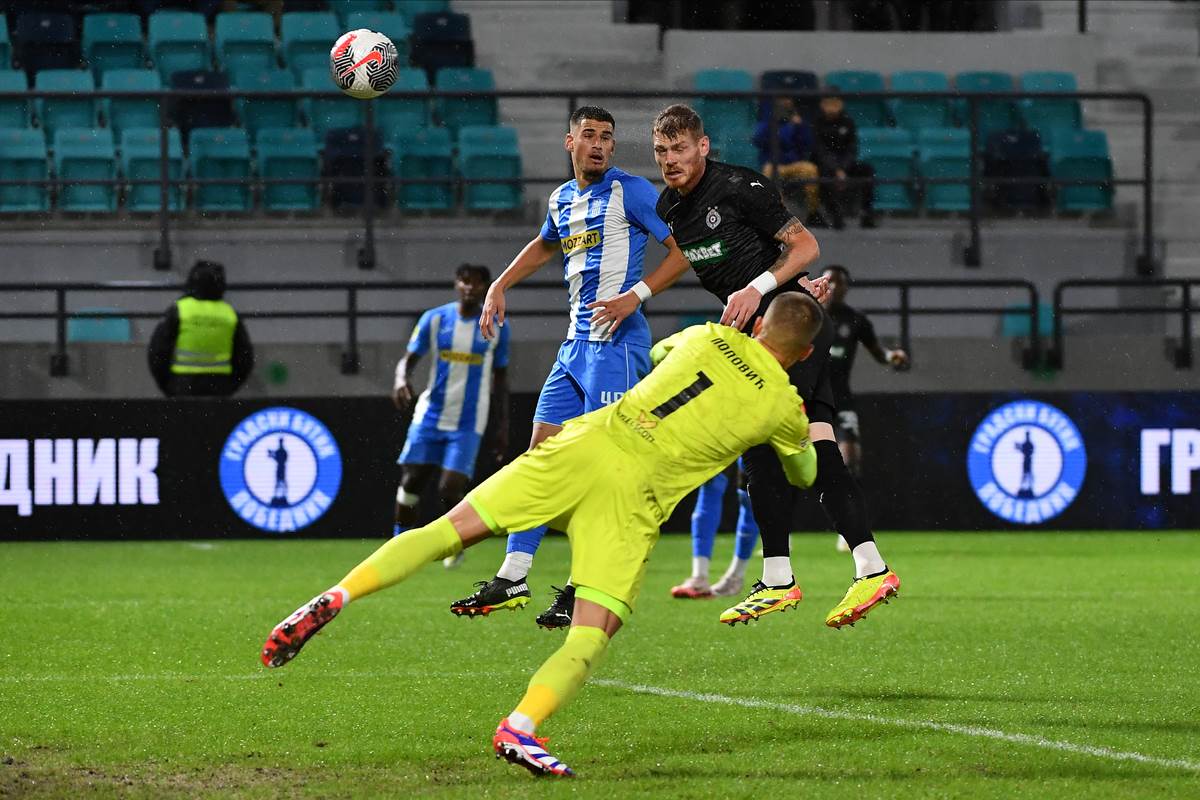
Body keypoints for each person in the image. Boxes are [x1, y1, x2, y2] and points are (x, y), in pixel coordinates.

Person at [261, 293, 824, 777]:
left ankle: (337, 595)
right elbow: (803, 475)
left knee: (446, 530)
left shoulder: (705, 335)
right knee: (590, 632)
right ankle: (520, 727)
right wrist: (803, 433)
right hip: (634, 497)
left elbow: (656, 354)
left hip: (586, 445)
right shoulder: (783, 404)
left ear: (757, 324)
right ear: (804, 353)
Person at [592, 103, 899, 629]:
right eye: (662, 151)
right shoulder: (670, 207)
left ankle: (794, 575)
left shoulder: (740, 187)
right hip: (773, 329)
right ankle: (857, 566)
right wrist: (637, 294)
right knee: (807, 443)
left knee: (761, 441)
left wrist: (761, 288)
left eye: (681, 148)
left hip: (787, 329)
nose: (671, 160)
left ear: (703, 147)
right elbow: (690, 257)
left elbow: (805, 245)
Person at [448, 106, 690, 626]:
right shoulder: (562, 199)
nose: (599, 144)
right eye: (590, 136)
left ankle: (583, 585)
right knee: (538, 459)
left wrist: (636, 295)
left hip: (618, 346)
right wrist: (499, 284)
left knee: (602, 470)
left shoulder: (632, 191)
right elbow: (544, 243)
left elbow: (681, 251)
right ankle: (514, 573)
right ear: (569, 143)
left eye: (607, 137)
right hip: (574, 348)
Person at [391, 264, 510, 568]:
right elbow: (408, 360)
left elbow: (500, 378)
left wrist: (502, 425)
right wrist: (401, 379)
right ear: (456, 284)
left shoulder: (496, 325)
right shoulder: (434, 319)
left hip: (468, 421)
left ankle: (454, 544)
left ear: (486, 287)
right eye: (465, 281)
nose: (470, 288)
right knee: (412, 482)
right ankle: (398, 544)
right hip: (431, 415)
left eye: (478, 283)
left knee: (449, 488)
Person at [820, 265, 909, 551]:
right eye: (829, 281)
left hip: (841, 400)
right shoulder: (806, 314)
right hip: (806, 400)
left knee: (850, 461)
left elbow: (878, 353)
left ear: (846, 288)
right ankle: (781, 534)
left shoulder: (854, 320)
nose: (834, 286)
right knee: (791, 465)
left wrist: (891, 357)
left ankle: (849, 529)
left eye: (840, 283)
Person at [147, 259, 254, 397]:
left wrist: (168, 386)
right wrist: (230, 386)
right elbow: (245, 359)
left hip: (183, 385)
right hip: (219, 387)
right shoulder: (230, 314)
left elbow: (157, 353)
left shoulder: (180, 310)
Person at [670, 462, 759, 598]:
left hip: (756, 441)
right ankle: (699, 578)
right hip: (726, 440)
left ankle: (735, 576)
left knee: (749, 494)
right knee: (710, 483)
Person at [813, 95, 877, 230]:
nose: (831, 108)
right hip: (825, 165)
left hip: (845, 164)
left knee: (867, 171)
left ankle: (867, 213)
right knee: (822, 175)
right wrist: (836, 169)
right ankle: (835, 214)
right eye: (828, 104)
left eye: (835, 104)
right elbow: (821, 151)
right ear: (822, 105)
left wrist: (843, 167)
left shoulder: (848, 122)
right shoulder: (817, 123)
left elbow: (851, 149)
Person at [752, 97, 820, 220]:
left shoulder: (798, 124)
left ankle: (813, 212)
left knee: (811, 169)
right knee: (768, 176)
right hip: (773, 164)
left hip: (795, 164)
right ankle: (776, 214)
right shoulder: (767, 122)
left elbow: (807, 145)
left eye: (788, 104)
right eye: (782, 104)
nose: (785, 106)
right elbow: (758, 140)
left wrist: (800, 127)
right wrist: (776, 126)